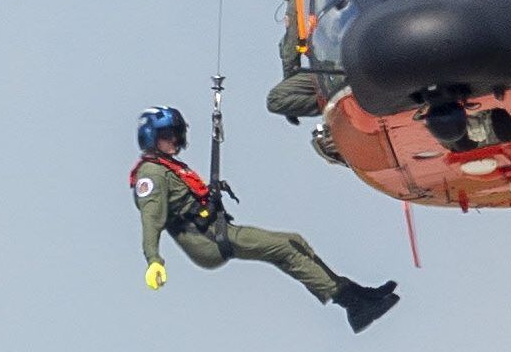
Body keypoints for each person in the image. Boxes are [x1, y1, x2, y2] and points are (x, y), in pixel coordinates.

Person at [130, 106, 398, 333]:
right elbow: (151, 218)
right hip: (208, 240)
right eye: (168, 136)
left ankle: (356, 294)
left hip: (216, 228)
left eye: (177, 135)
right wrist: (154, 259)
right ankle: (352, 305)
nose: (174, 142)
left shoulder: (169, 168)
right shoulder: (151, 175)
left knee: (294, 241)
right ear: (152, 138)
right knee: (283, 250)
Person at [262, 0, 345, 165]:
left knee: (276, 99)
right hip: (355, 53)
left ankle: (338, 115)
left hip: (335, 67)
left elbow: (291, 50)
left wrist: (291, 85)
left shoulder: (297, 1)